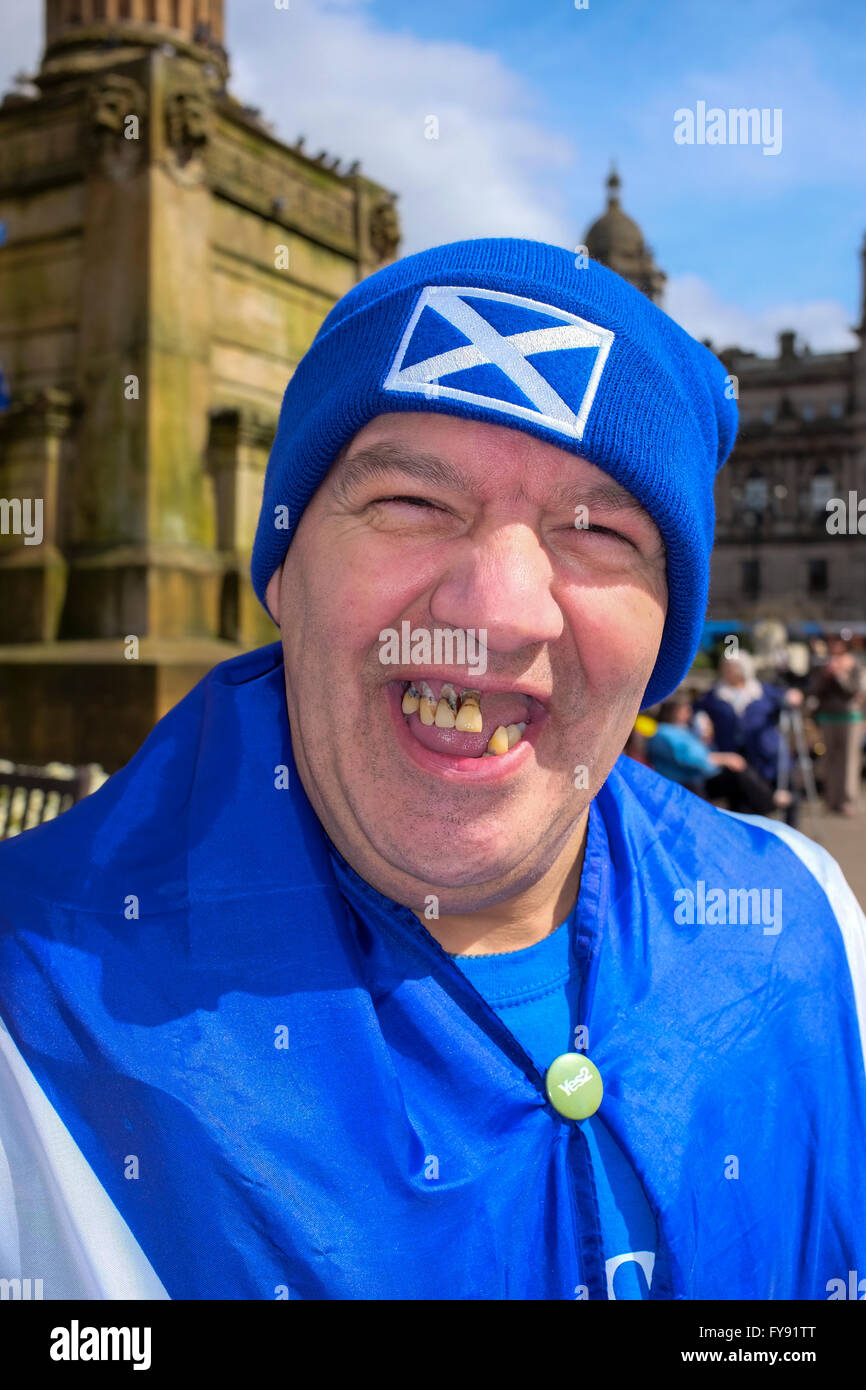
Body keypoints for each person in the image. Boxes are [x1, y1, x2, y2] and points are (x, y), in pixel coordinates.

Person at [0, 239, 864, 1302]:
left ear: (662, 639)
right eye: (410, 503)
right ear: (284, 566)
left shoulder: (807, 920)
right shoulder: (27, 1023)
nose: (493, 612)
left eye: (596, 530)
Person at [695, 651, 802, 826]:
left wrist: (793, 697)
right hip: (735, 752)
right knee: (742, 798)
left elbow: (785, 698)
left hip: (767, 751)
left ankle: (790, 833)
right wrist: (700, 722)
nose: (728, 671)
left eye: (733, 668)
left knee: (787, 792)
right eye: (726, 667)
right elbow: (697, 709)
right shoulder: (716, 694)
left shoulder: (761, 690)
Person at [646, 693, 776, 813]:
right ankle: (769, 803)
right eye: (685, 709)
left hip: (697, 779)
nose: (689, 713)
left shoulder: (681, 731)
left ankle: (756, 809)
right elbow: (695, 759)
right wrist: (725, 758)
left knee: (738, 783)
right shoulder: (665, 732)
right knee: (737, 774)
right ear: (675, 711)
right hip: (688, 782)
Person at [809, 632, 865, 815]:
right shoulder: (823, 664)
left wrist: (840, 674)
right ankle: (831, 799)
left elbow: (852, 689)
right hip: (828, 716)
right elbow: (815, 691)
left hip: (849, 716)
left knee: (848, 759)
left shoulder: (854, 664)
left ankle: (847, 799)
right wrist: (826, 675)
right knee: (830, 758)